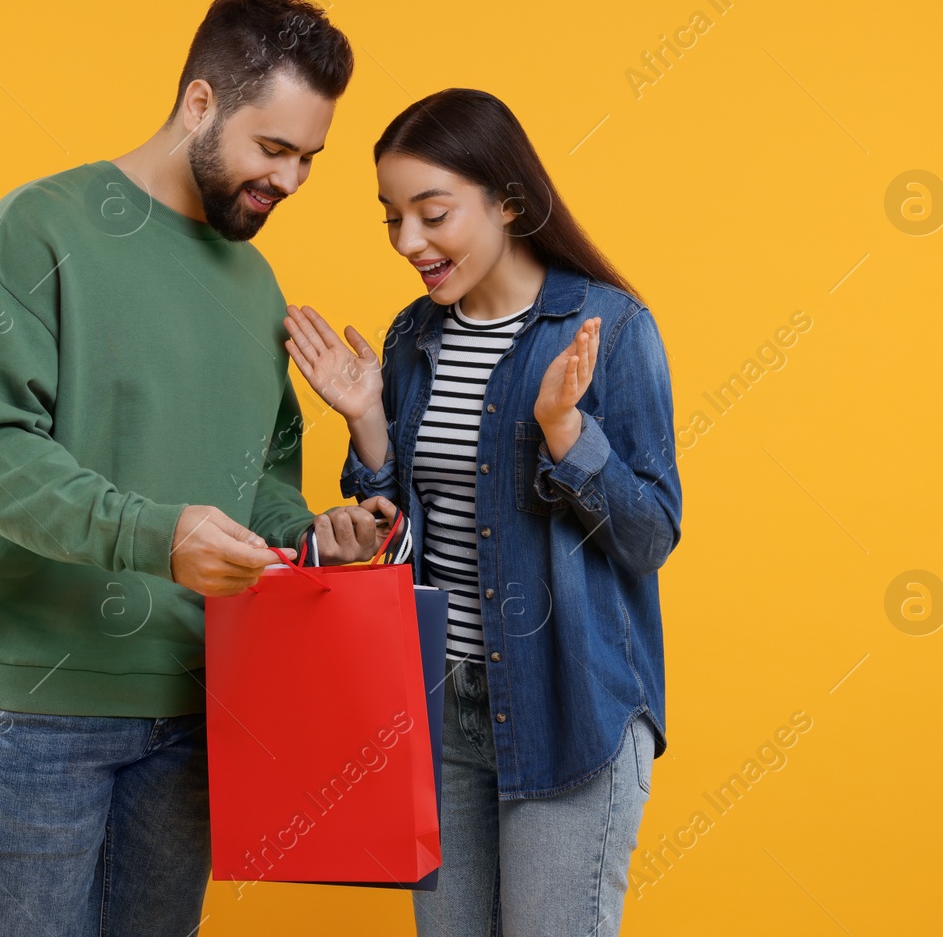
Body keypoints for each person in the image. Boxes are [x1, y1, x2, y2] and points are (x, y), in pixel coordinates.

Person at [0, 0, 397, 937]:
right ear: (199, 104)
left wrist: (310, 535)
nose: (293, 181)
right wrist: (156, 536)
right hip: (37, 711)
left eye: (310, 159)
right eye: (274, 149)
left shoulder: (253, 276)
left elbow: (258, 473)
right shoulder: (39, 231)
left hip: (196, 705)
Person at [281, 88, 683, 936]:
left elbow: (650, 535)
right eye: (392, 217)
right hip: (436, 704)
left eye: (433, 213)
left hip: (570, 706)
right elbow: (398, 530)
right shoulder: (411, 338)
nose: (409, 242)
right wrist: (366, 425)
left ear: (507, 198)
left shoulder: (608, 324)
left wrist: (566, 435)